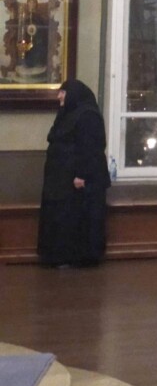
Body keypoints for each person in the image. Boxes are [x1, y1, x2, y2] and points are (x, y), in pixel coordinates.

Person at [37, 80, 111, 267]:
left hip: (79, 181)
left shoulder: (88, 115)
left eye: (62, 92)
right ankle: (57, 256)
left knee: (77, 218)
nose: (59, 96)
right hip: (61, 180)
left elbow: (91, 148)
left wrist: (82, 175)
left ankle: (78, 257)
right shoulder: (66, 113)